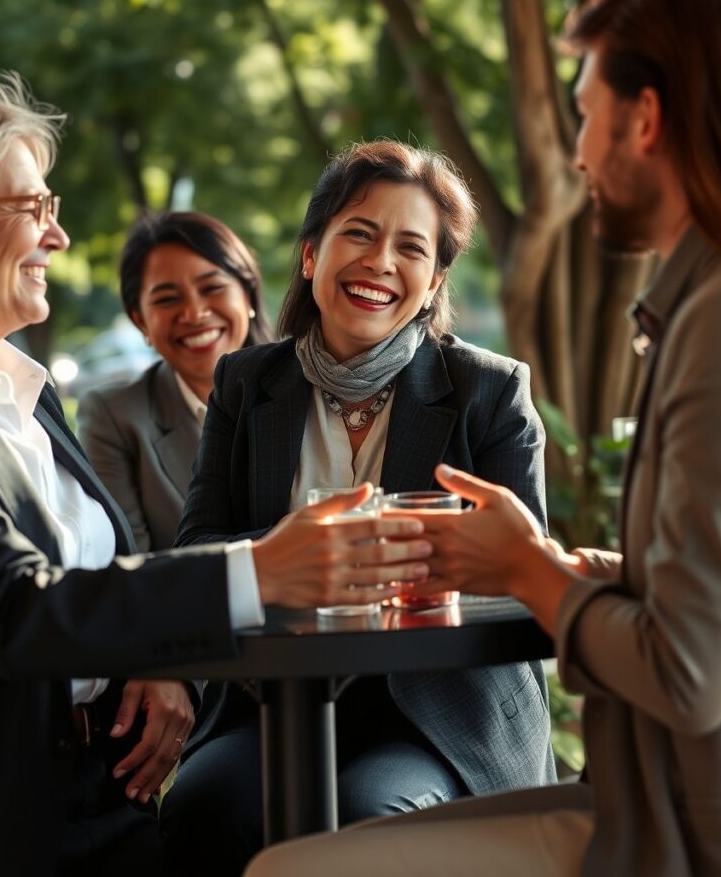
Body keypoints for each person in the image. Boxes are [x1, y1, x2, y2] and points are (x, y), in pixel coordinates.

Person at [245, 0, 721, 877]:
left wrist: (527, 567)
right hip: (707, 794)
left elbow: (690, 674)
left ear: (646, 119)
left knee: (291, 871)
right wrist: (606, 574)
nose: (577, 154)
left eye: (585, 115)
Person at [0, 75, 434, 876]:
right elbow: (11, 608)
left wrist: (153, 663)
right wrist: (264, 568)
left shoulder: (24, 392)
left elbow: (94, 582)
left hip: (109, 805)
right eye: (30, 209)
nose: (57, 238)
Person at [169, 139, 555, 874]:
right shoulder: (246, 385)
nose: (380, 263)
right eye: (359, 233)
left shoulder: (491, 392)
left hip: (439, 714)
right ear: (311, 254)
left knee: (373, 819)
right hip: (272, 704)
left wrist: (344, 559)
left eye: (411, 247)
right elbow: (200, 548)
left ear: (435, 278)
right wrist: (341, 549)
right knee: (204, 806)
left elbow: (520, 572)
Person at [77, 211, 274, 552]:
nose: (194, 314)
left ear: (248, 295)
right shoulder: (113, 417)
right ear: (141, 322)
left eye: (212, 287)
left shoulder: (313, 386)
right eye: (167, 299)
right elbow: (129, 570)